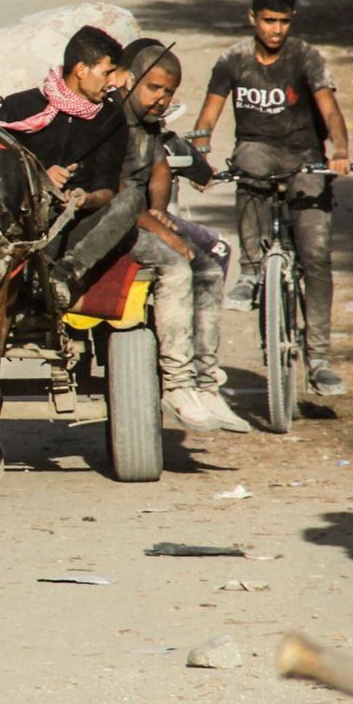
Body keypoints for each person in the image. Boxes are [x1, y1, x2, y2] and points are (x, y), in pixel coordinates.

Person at [189, 0, 353, 396]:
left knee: (315, 253)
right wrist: (200, 147)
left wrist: (340, 148)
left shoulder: (306, 58)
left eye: (283, 21)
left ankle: (319, 359)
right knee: (248, 164)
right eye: (268, 20)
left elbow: (329, 109)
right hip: (259, 150)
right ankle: (248, 273)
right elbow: (209, 112)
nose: (276, 29)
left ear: (292, 19)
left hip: (306, 158)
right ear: (252, 18)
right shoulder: (233, 60)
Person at [115, 42, 247, 433]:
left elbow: (159, 166)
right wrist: (158, 228)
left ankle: (205, 383)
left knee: (211, 260)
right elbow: (114, 189)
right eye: (153, 88)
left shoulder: (151, 125)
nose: (161, 98)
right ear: (129, 81)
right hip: (111, 218)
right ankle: (177, 383)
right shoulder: (111, 121)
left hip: (142, 216)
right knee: (177, 264)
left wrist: (160, 213)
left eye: (168, 92)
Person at [0, 26, 145, 308]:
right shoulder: (19, 108)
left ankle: (64, 273)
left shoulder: (111, 119)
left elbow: (107, 188)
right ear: (80, 70)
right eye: (107, 72)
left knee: (132, 199)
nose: (113, 82)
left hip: (72, 230)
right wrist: (39, 179)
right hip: (16, 228)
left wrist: (84, 199)